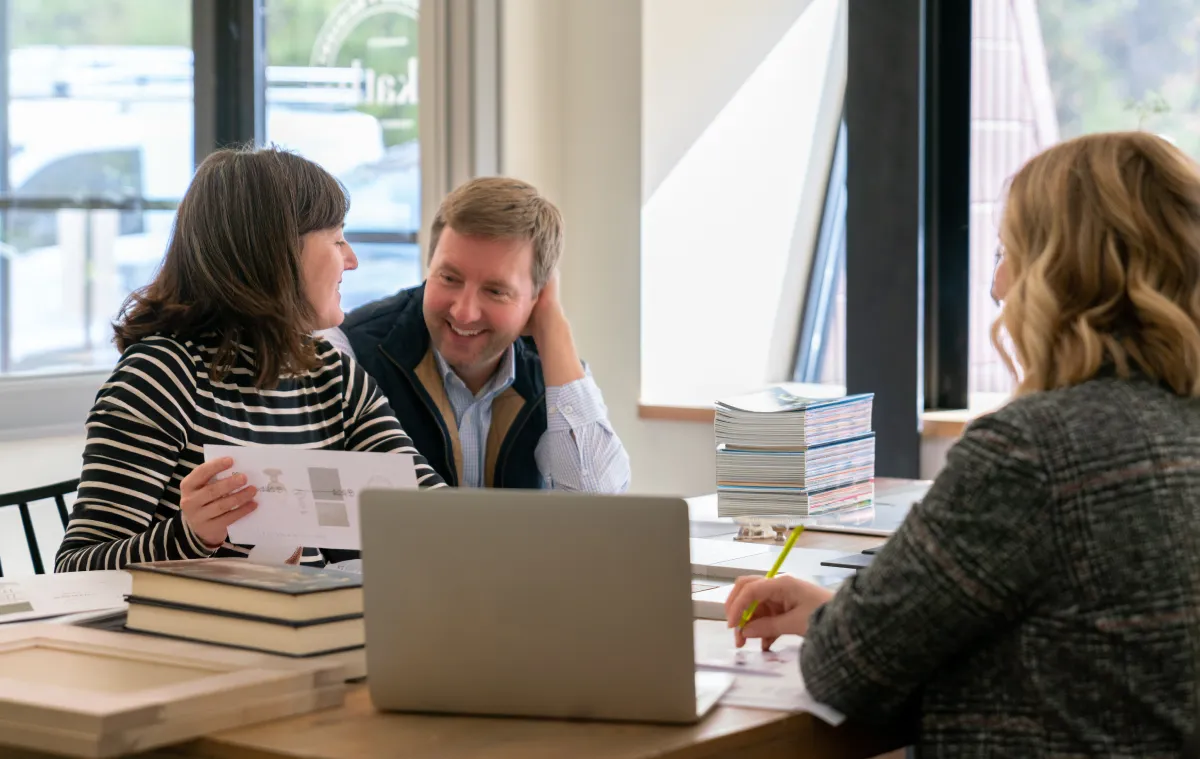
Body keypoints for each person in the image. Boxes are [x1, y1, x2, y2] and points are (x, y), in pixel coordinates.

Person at [725, 132, 1200, 754]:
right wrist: (832, 615)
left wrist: (841, 628)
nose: (997, 285)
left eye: (1009, 252)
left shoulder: (1032, 448)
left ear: (1062, 275)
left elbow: (847, 670)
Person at [55, 146, 446, 573]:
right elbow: (77, 568)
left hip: (314, 629)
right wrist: (191, 534)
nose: (351, 260)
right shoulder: (162, 377)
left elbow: (434, 515)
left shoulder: (333, 376)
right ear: (277, 254)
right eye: (336, 239)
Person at [325, 177, 631, 491]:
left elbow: (595, 505)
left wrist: (553, 326)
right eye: (449, 278)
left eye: (496, 291)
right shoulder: (353, 349)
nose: (463, 312)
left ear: (537, 298)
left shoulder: (551, 366)